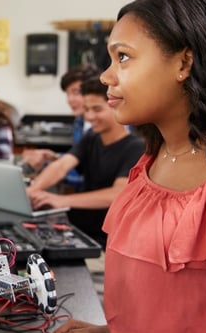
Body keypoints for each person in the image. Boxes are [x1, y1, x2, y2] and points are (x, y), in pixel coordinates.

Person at [53, 0, 206, 333]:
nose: (106, 76)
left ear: (184, 63)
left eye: (122, 57)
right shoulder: (151, 162)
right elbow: (166, 292)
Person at [24, 76, 143, 247]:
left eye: (97, 109)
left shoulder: (135, 148)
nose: (89, 116)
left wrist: (61, 200)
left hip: (106, 242)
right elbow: (62, 165)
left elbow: (117, 194)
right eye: (86, 110)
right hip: (79, 232)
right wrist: (33, 190)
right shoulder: (92, 138)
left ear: (116, 106)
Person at [21, 65, 100, 172]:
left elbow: (89, 172)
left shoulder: (108, 126)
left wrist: (53, 167)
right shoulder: (79, 122)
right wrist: (53, 158)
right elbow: (79, 162)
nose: (69, 100)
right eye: (67, 94)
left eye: (76, 92)